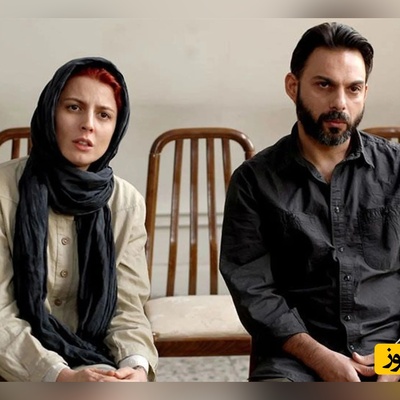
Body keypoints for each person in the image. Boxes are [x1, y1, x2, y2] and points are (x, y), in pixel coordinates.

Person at [220, 21, 400, 382]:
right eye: (324, 85)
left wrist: (393, 362)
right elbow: (254, 290)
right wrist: (319, 358)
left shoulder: (396, 170)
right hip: (296, 358)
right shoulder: (254, 181)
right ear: (293, 86)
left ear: (365, 92)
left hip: (390, 350)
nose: (340, 103)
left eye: (353, 89)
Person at [0, 57, 158, 382]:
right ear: (50, 113)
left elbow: (127, 306)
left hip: (90, 358)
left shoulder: (126, 203)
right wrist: (58, 376)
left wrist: (136, 367)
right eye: (74, 107)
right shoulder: (3, 191)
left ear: (116, 128)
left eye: (104, 115)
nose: (88, 124)